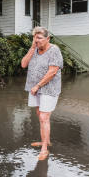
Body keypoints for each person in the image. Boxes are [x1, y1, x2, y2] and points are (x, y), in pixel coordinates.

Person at [21, 26, 63, 161]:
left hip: (48, 88)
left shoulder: (54, 50)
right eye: (34, 38)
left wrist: (38, 85)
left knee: (44, 116)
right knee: (40, 115)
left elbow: (53, 72)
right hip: (35, 88)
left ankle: (44, 149)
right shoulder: (34, 49)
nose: (36, 40)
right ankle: (46, 140)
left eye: (39, 38)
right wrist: (32, 48)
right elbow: (23, 64)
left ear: (47, 38)